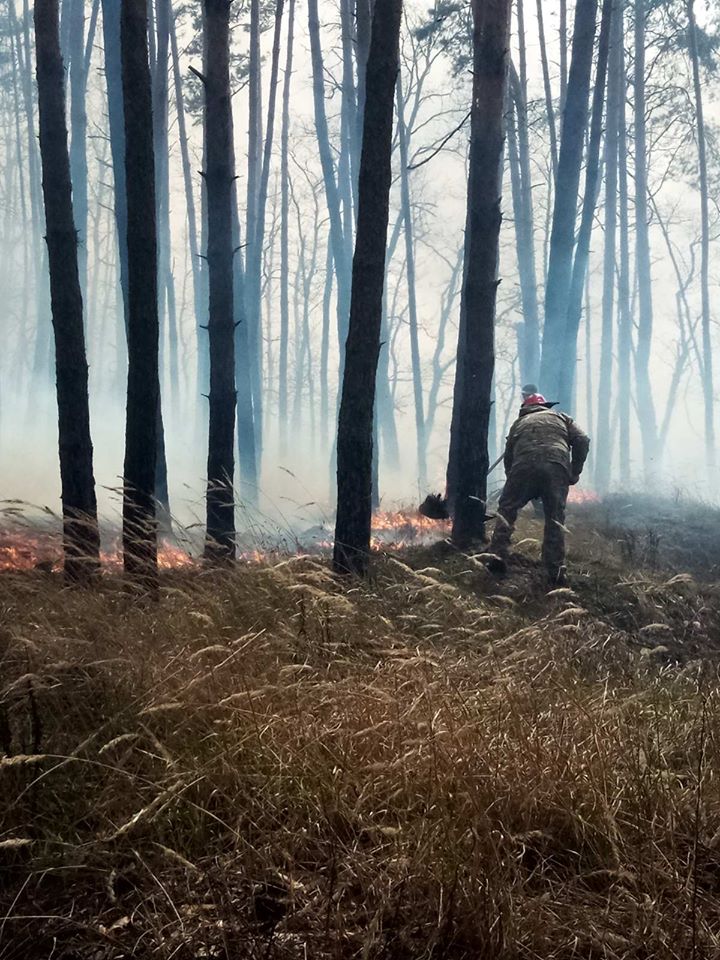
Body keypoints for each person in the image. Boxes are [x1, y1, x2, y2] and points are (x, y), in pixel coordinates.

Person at [488, 393, 590, 584]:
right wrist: (575, 471)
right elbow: (583, 440)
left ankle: (497, 556)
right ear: (545, 407)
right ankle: (555, 570)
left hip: (523, 466)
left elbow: (509, 458)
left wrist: (515, 482)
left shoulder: (519, 423)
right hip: (555, 466)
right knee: (555, 518)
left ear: (525, 409)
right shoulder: (561, 418)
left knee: (507, 510)